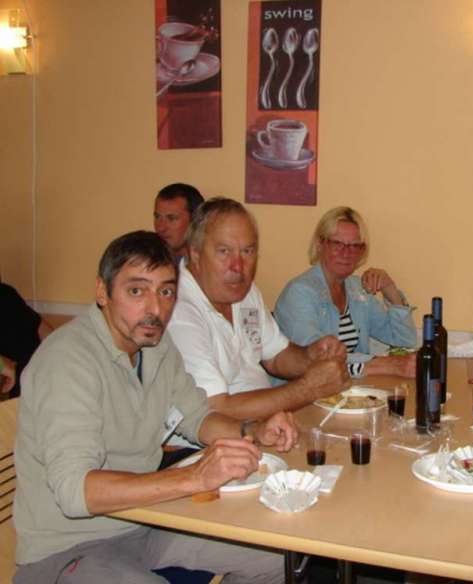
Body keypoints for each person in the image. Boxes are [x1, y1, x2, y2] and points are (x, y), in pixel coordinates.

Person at [14, 230, 297, 583]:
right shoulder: (67, 362)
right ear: (102, 292)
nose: (155, 308)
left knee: (274, 559)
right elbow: (75, 492)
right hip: (68, 550)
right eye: (136, 290)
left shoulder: (156, 348)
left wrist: (252, 432)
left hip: (144, 524)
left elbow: (197, 417)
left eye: (165, 291)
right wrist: (193, 477)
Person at [166, 197, 349, 428]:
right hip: (214, 444)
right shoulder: (178, 309)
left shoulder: (245, 291)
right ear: (195, 254)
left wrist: (311, 356)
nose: (238, 266)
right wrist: (309, 388)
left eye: (248, 251)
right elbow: (215, 409)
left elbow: (277, 356)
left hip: (267, 427)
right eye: (224, 251)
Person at [274, 206, 416, 379]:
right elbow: (318, 360)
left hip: (347, 392)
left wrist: (390, 289)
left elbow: (405, 341)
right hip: (301, 397)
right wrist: (382, 365)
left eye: (354, 246)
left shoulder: (357, 289)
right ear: (320, 245)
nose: (346, 253)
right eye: (337, 244)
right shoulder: (299, 293)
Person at [0, 278, 53, 398]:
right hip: (21, 391)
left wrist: (65, 354)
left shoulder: (6, 294)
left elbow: (42, 329)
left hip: (40, 377)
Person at [153, 182, 204, 261]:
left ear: (195, 221)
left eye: (171, 218)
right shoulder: (147, 263)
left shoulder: (209, 266)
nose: (160, 228)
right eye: (157, 217)